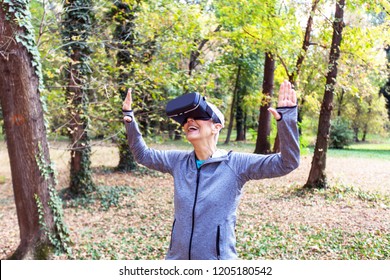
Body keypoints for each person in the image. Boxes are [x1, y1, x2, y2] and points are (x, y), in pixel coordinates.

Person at [122, 80, 300, 260]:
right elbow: (143, 155)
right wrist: (130, 121)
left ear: (217, 127)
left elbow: (287, 162)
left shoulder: (236, 164)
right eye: (186, 119)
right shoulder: (178, 161)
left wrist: (286, 119)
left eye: (198, 115)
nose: (189, 120)